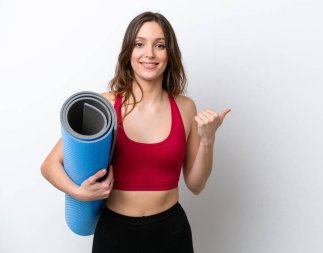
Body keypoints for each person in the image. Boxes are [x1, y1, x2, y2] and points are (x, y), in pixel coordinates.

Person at [40, 11, 231, 253]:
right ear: (128, 52)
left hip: (171, 233)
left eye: (159, 45)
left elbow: (196, 184)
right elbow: (49, 165)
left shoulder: (185, 107)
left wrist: (207, 140)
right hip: (114, 234)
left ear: (169, 54)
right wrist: (79, 192)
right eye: (139, 44)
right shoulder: (106, 105)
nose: (149, 53)